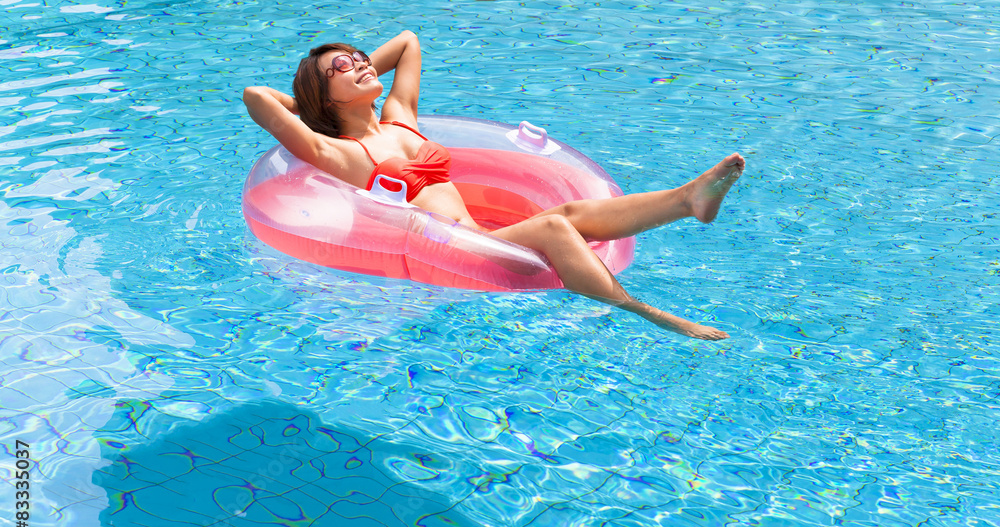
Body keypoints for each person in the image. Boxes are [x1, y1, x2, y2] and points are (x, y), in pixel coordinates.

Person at [243, 31, 745, 340]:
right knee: (554, 226)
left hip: (480, 233)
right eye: (343, 68)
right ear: (322, 95)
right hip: (451, 249)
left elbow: (407, 41)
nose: (362, 64)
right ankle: (647, 312)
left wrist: (348, 71)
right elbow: (256, 97)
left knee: (569, 211)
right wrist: (309, 105)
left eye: (359, 57)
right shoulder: (339, 154)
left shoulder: (400, 121)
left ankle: (688, 200)